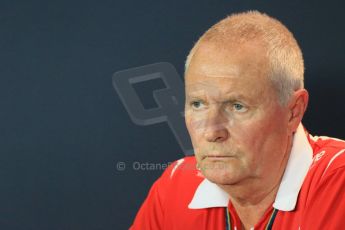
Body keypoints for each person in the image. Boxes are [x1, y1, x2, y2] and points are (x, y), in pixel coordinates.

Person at [130, 11, 345, 230]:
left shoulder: (340, 185)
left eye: (237, 106)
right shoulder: (175, 186)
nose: (211, 132)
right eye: (198, 104)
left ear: (293, 111)